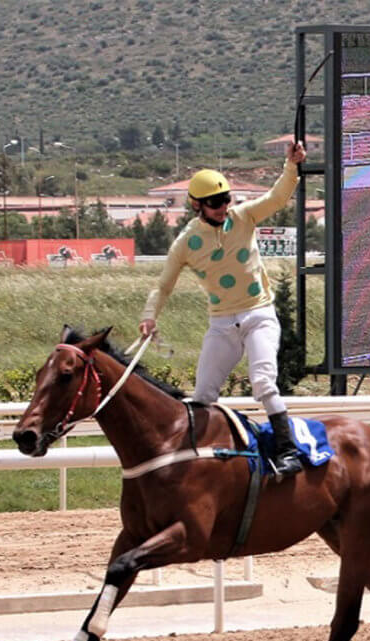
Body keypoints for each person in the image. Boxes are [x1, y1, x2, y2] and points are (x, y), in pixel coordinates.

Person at [139, 141, 308, 479]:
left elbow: (277, 198)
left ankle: (289, 452)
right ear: (196, 205)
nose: (222, 207)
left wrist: (291, 167)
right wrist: (149, 316)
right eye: (215, 203)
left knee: (263, 383)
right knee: (203, 394)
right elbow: (164, 285)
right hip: (221, 323)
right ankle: (200, 461)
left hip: (259, 314)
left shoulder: (243, 216)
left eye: (225, 200)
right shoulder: (186, 243)